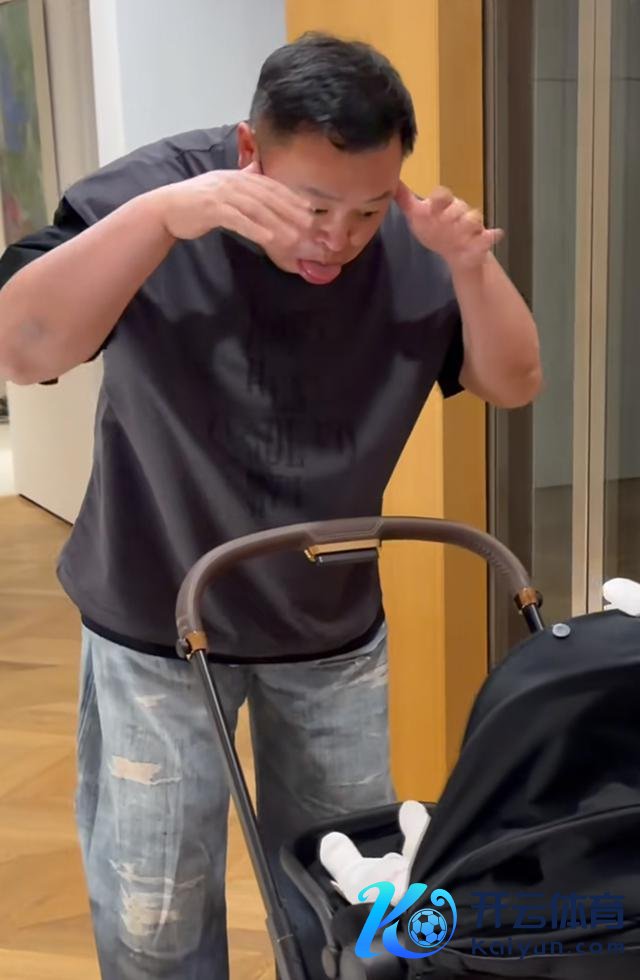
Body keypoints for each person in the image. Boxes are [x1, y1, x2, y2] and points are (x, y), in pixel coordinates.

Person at [0, 31, 541, 980]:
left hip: (328, 625)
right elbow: (24, 347)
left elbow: (513, 381)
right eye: (312, 206)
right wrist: (163, 219)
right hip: (157, 614)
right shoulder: (156, 196)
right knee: (156, 914)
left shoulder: (410, 239)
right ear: (249, 152)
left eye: (366, 209)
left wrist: (470, 266)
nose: (337, 237)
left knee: (349, 896)